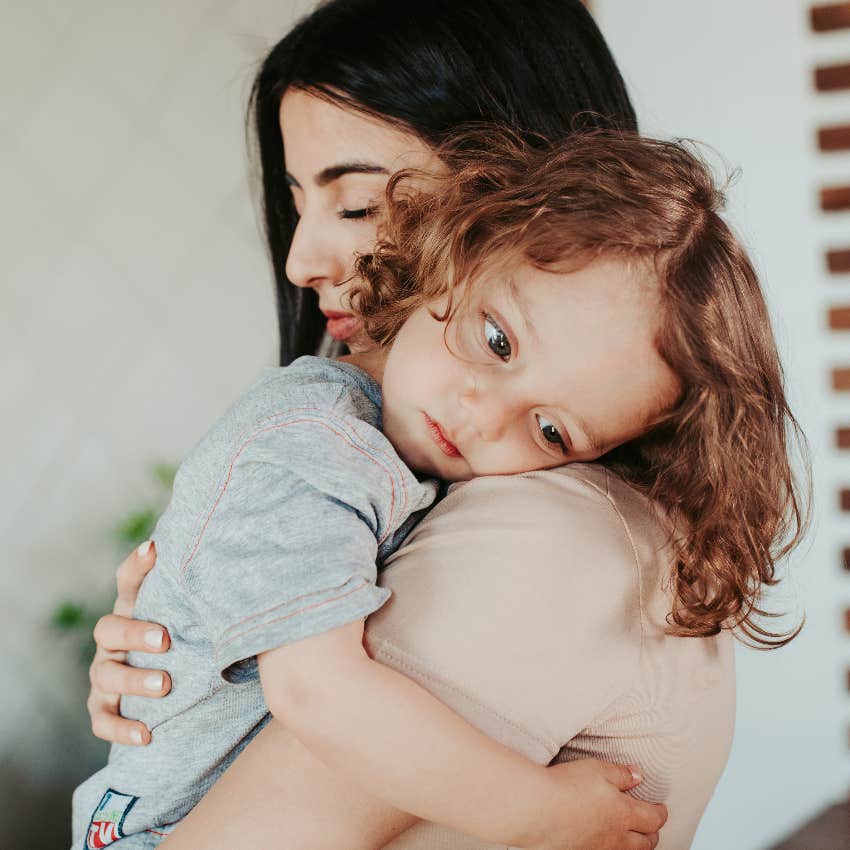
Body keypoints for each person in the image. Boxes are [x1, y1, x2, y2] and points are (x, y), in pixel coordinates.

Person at [83, 2, 808, 848]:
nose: (299, 262)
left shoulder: (546, 530)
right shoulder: (336, 440)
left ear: (498, 200)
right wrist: (188, 644)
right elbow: (306, 683)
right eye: (297, 201)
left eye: (356, 205)